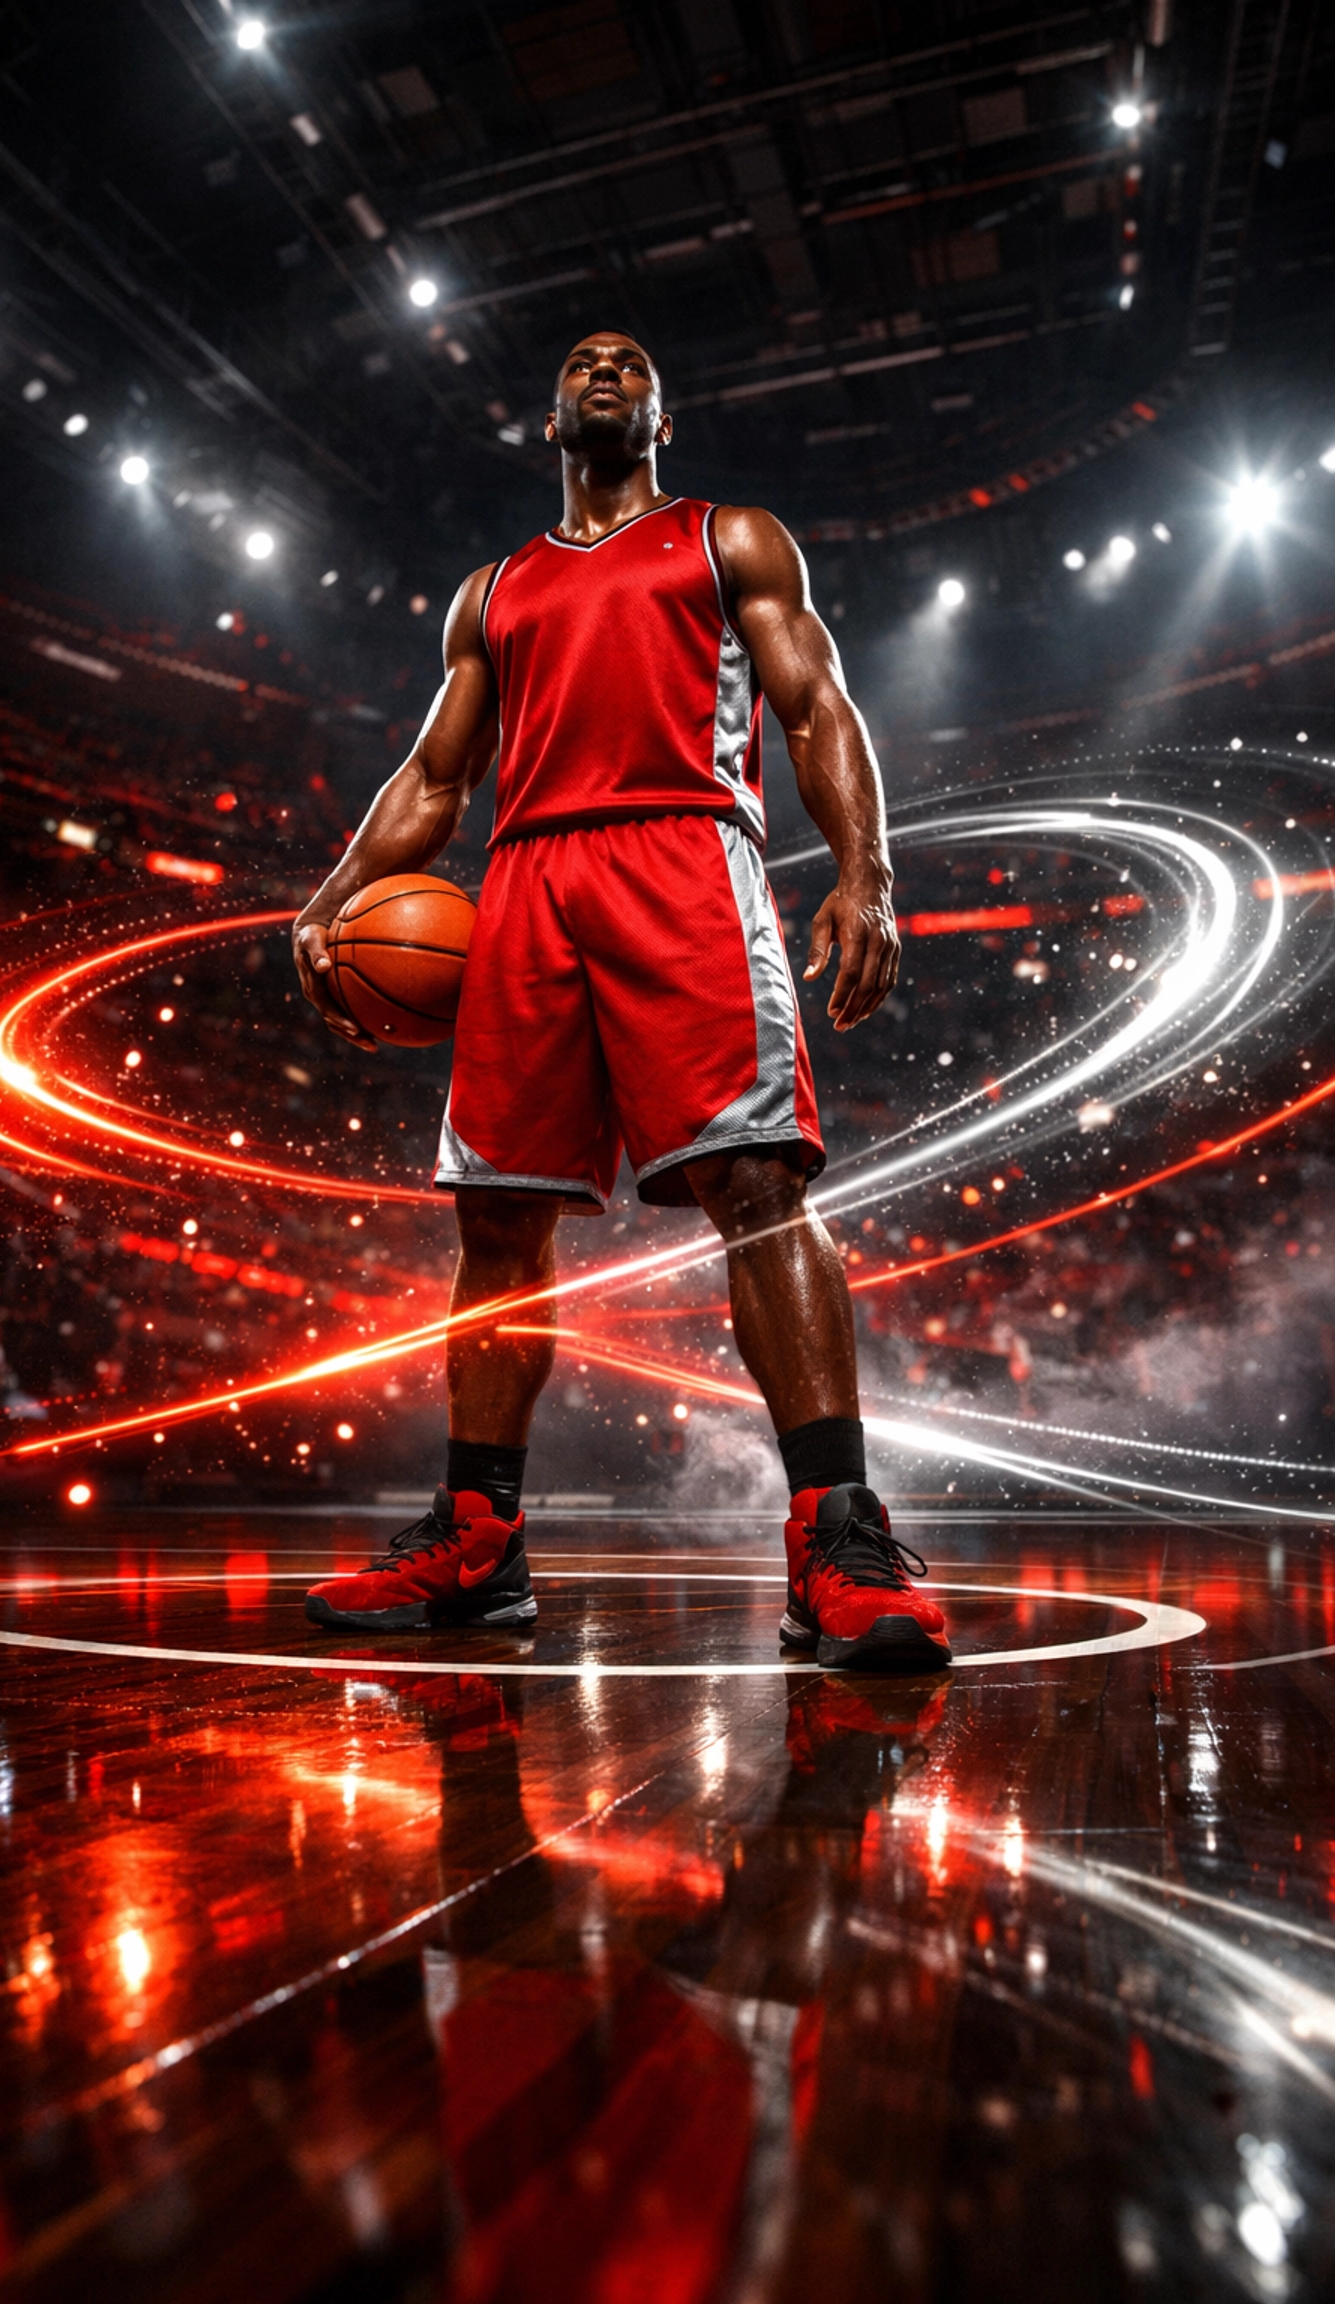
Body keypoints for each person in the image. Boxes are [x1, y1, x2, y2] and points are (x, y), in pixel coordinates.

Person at [291, 333, 950, 1673]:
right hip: (528, 879)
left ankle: (836, 1535)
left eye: (630, 360)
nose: (601, 367)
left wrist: (866, 878)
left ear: (661, 405)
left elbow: (817, 706)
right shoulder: (495, 589)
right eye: (579, 359)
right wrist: (332, 897)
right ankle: (478, 1544)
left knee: (758, 1188)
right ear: (549, 414)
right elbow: (434, 773)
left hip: (684, 856)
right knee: (496, 1218)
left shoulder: (729, 539)